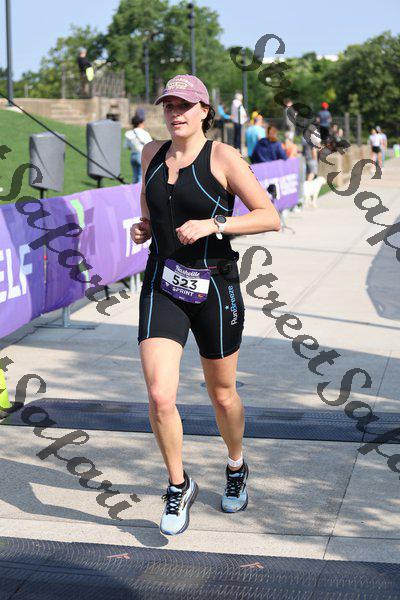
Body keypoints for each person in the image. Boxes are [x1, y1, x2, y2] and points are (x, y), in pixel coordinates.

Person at [131, 73, 280, 536]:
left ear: (204, 111)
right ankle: (178, 484)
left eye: (185, 105)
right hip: (162, 283)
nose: (175, 113)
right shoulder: (151, 153)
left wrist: (214, 224)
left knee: (222, 394)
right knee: (160, 395)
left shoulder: (223, 157)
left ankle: (235, 465)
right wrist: (144, 227)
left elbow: (269, 217)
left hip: (215, 286)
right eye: (169, 105)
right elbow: (149, 209)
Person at [123, 114, 153, 184]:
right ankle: (139, 190)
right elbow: (150, 145)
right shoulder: (144, 133)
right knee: (141, 176)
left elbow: (126, 147)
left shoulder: (128, 133)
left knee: (135, 176)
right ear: (140, 123)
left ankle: (133, 190)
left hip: (133, 155)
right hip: (141, 156)